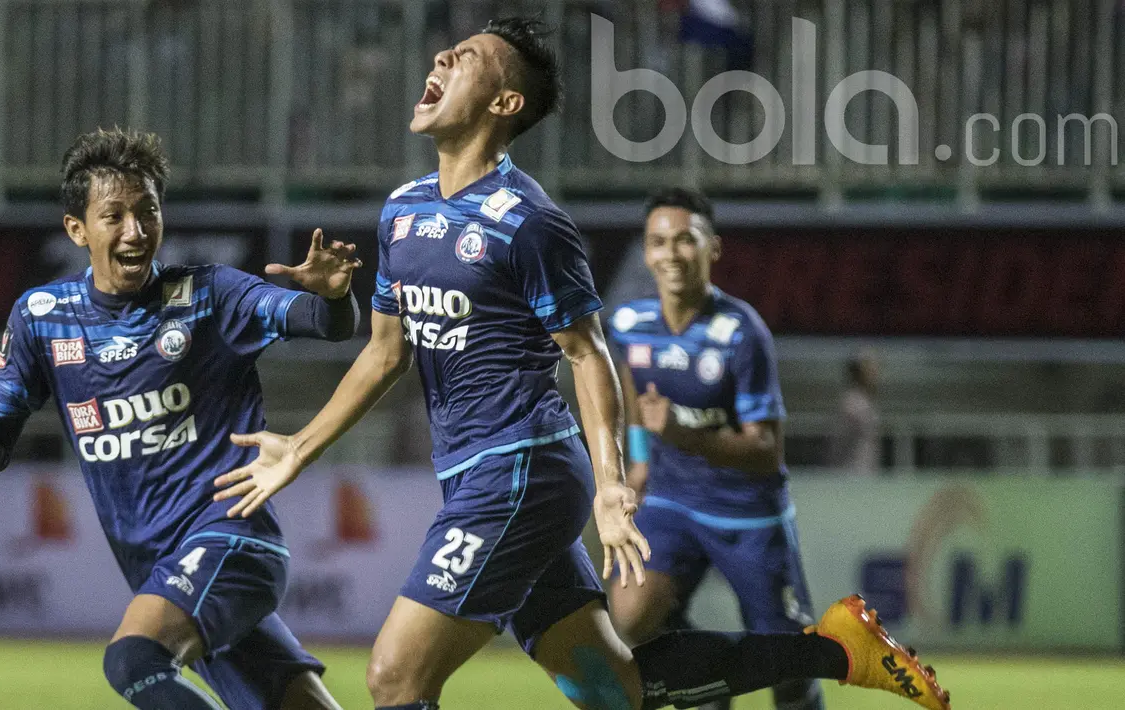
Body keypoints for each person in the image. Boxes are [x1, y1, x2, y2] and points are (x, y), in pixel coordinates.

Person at [212, 18, 951, 710]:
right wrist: (298, 449)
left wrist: (609, 489)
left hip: (520, 471)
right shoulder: (401, 212)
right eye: (445, 52)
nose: (440, 59)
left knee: (393, 676)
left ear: (505, 101)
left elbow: (588, 354)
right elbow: (383, 354)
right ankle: (836, 652)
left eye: (464, 57)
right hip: (473, 475)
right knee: (613, 686)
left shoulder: (529, 222)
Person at [0, 127, 358, 710]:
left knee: (133, 660)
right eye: (114, 216)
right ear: (77, 230)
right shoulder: (42, 318)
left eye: (148, 212)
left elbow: (325, 324)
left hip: (231, 540)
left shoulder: (209, 295)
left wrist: (333, 296)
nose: (136, 231)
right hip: (162, 571)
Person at [605, 188, 823, 710]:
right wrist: (638, 464)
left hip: (747, 514)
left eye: (686, 240)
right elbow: (638, 397)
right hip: (671, 501)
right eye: (658, 242)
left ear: (713, 249)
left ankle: (766, 677)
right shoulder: (631, 325)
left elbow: (766, 450)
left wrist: (684, 435)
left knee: (788, 666)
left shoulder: (741, 333)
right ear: (645, 250)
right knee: (629, 616)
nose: (671, 254)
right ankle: (709, 686)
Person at [829, 351, 882, 475]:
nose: (875, 372)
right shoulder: (851, 403)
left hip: (866, 470)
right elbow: (838, 445)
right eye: (869, 367)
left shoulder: (866, 400)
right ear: (859, 373)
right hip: (851, 473)